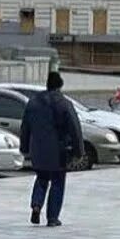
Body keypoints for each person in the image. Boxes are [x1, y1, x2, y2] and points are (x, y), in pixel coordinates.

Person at [20, 71, 81, 227]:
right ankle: (52, 218)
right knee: (57, 183)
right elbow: (75, 128)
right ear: (60, 85)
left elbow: (25, 127)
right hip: (59, 151)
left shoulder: (33, 103)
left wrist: (24, 146)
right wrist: (78, 151)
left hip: (38, 150)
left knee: (41, 178)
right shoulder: (64, 104)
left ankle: (36, 204)